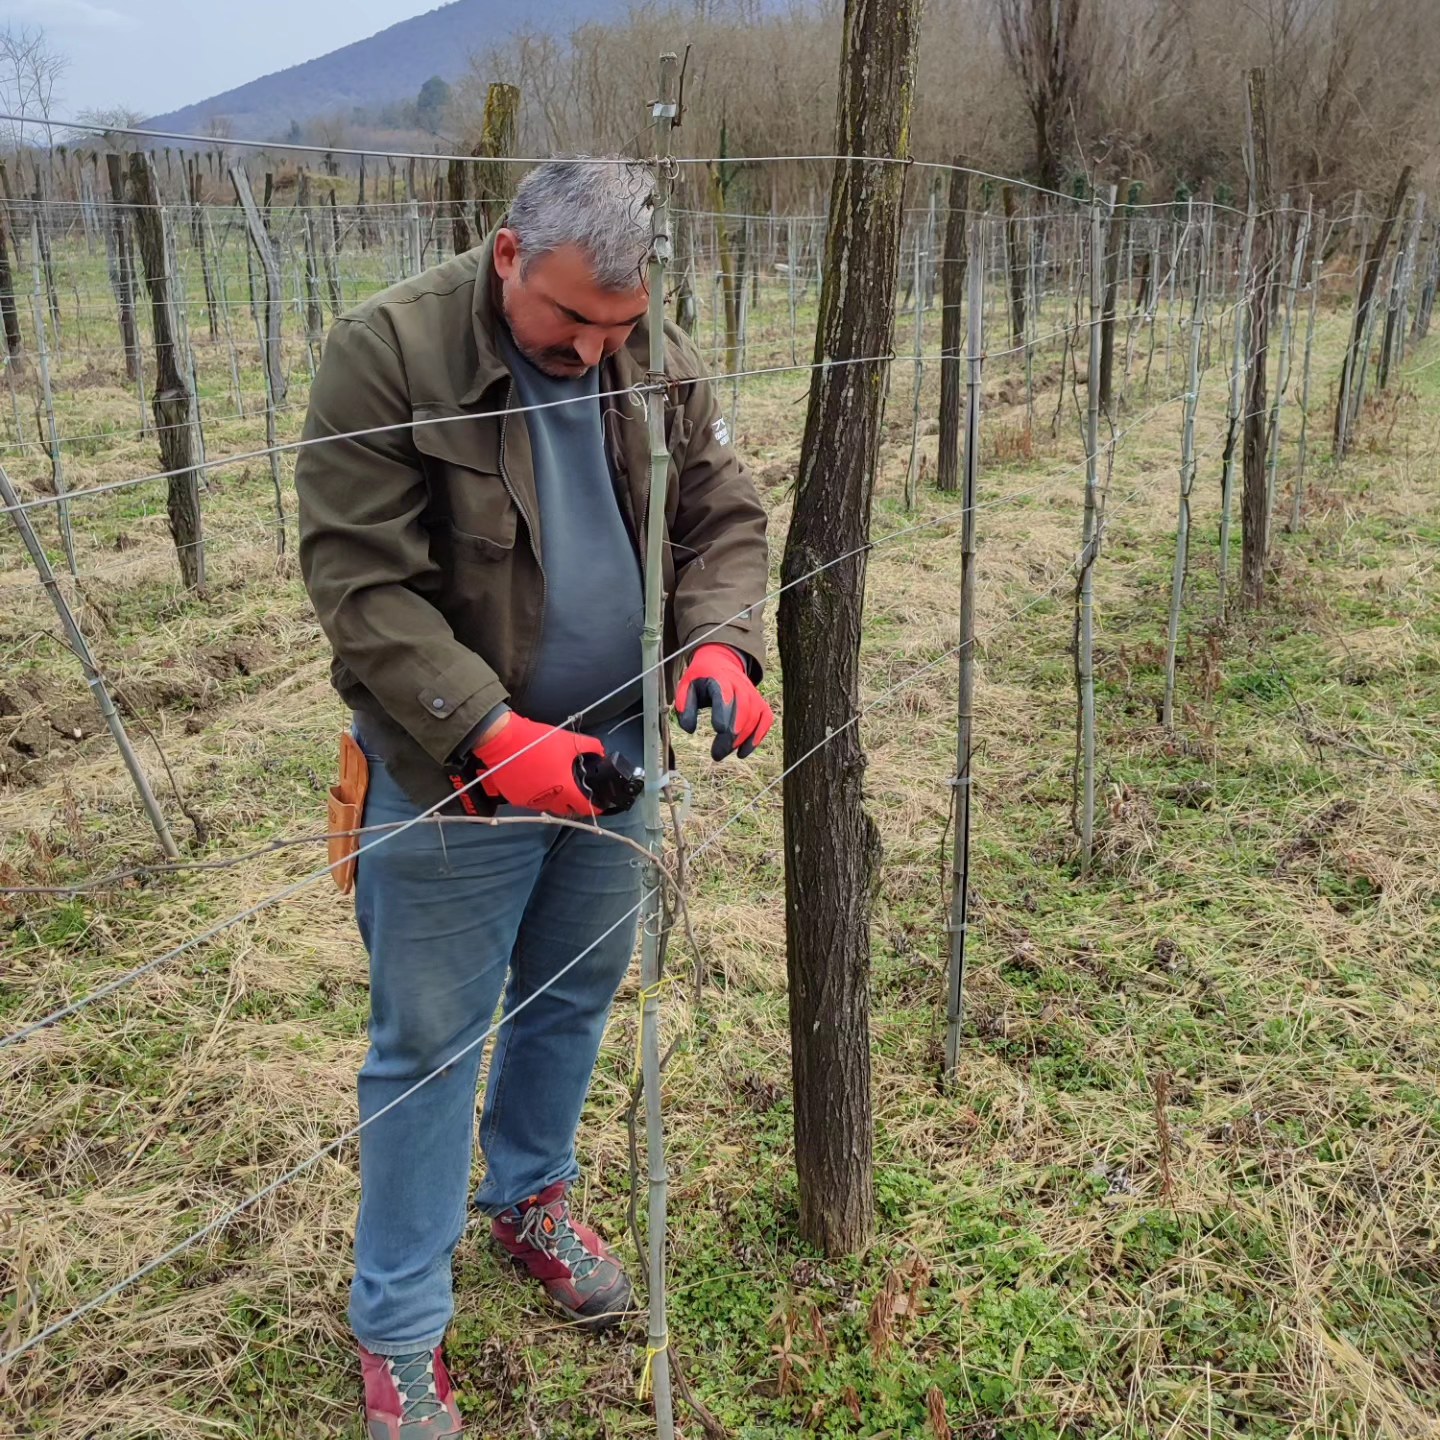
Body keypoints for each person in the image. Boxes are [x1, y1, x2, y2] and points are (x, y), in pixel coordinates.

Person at [294, 157, 773, 1439]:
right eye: (571, 321)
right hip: (457, 780)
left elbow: (719, 508)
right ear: (509, 256)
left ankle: (532, 1197)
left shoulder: (642, 341)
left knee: (570, 1001)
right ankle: (398, 1326)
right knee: (426, 1051)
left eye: (620, 327)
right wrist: (493, 738)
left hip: (620, 757)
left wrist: (720, 640)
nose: (597, 350)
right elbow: (361, 586)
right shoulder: (385, 355)